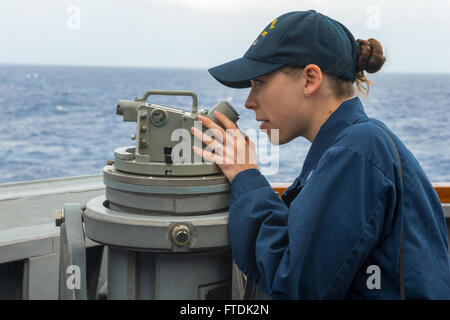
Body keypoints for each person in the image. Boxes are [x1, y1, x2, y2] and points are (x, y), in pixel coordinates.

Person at [190, 10, 450, 299]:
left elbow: (299, 287)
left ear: (310, 79)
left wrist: (245, 176)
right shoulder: (352, 143)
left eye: (259, 83)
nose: (249, 102)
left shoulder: (357, 151)